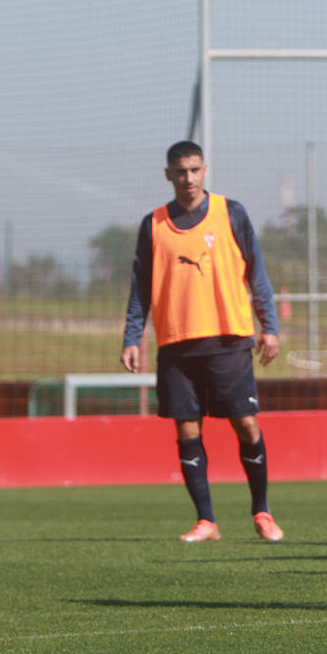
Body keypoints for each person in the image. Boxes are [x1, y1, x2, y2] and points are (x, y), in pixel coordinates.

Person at [121, 141, 284, 544]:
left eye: (194, 170)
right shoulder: (153, 224)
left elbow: (256, 273)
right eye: (180, 171)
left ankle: (262, 511)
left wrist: (270, 325)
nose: (188, 178)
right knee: (187, 430)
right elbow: (141, 287)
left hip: (229, 338)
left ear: (205, 170)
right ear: (168, 175)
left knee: (246, 425)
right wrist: (132, 337)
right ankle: (206, 520)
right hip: (176, 343)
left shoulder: (231, 213)